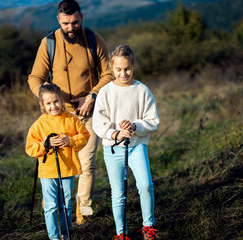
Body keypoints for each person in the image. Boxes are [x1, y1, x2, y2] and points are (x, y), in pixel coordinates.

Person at [27, 0, 113, 224]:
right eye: (66, 23)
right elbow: (35, 78)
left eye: (75, 22)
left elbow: (109, 74)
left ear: (81, 18)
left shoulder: (94, 40)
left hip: (90, 113)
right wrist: (46, 97)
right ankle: (53, 208)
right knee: (58, 167)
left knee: (87, 164)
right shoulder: (48, 43)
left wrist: (93, 95)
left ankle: (82, 213)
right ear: (58, 20)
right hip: (58, 118)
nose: (71, 28)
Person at [92, 44, 160, 240]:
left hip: (137, 146)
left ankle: (148, 227)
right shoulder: (105, 92)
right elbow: (98, 123)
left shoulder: (142, 90)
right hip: (113, 149)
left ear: (133, 66)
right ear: (112, 69)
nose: (124, 73)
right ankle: (121, 233)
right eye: (119, 70)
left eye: (127, 69)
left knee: (145, 185)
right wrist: (115, 134)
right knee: (118, 193)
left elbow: (153, 120)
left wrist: (135, 126)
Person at [26, 83, 90, 240]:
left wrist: (70, 140)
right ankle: (54, 236)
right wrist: (45, 144)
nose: (53, 106)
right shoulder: (39, 124)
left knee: (66, 204)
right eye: (48, 103)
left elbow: (84, 136)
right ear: (42, 105)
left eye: (56, 101)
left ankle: (66, 233)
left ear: (61, 100)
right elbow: (30, 148)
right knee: (51, 206)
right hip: (47, 172)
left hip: (67, 169)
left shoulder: (71, 119)